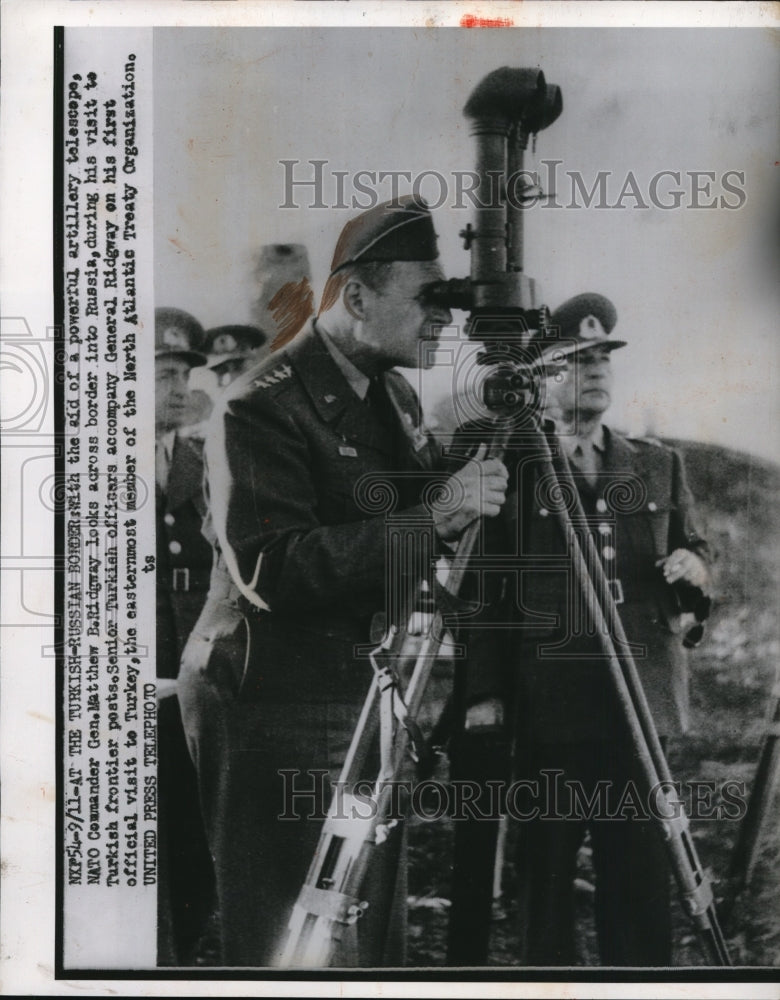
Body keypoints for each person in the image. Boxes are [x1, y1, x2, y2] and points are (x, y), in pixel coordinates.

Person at [177, 196, 509, 967]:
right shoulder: (258, 405)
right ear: (356, 296)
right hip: (273, 699)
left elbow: (395, 506)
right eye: (430, 298)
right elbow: (273, 569)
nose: (444, 319)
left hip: (361, 694)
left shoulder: (389, 394)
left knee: (366, 929)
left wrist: (485, 440)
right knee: (294, 937)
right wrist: (439, 516)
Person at [447, 293, 713, 966]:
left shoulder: (657, 463)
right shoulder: (512, 463)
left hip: (638, 702)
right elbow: (483, 587)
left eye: (602, 360)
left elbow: (696, 558)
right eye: (574, 361)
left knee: (642, 881)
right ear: (539, 379)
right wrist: (484, 690)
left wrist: (695, 571)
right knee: (547, 885)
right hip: (550, 704)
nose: (593, 372)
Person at [154, 306, 216, 964]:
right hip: (127, 682)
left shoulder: (199, 466)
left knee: (194, 827)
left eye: (183, 374)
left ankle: (186, 951)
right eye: (164, 373)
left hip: (191, 679)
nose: (179, 387)